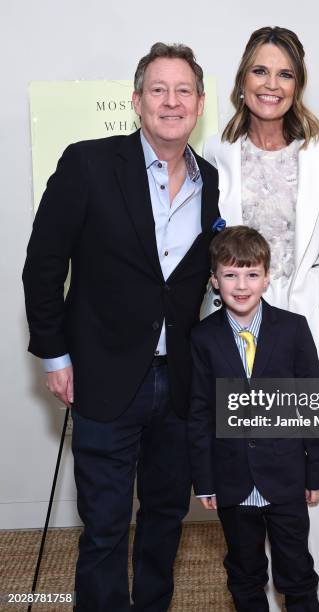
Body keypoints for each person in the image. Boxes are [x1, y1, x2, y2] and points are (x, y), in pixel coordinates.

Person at [22, 42, 219, 612]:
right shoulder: (87, 163)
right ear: (137, 101)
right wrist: (55, 358)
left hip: (179, 383)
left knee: (164, 522)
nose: (171, 101)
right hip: (103, 377)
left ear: (200, 104)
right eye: (158, 89)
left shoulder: (210, 182)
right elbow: (42, 266)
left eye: (184, 90)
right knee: (106, 528)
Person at [202, 26, 319, 612]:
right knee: (246, 459)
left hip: (304, 322)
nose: (272, 84)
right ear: (243, 81)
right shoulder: (218, 150)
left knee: (314, 464)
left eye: (285, 74)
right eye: (261, 72)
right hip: (237, 322)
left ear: (299, 84)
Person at [189, 225, 319, 611]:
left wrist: (318, 471)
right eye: (230, 274)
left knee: (297, 571)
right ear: (215, 281)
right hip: (231, 480)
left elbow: (312, 404)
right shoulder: (202, 338)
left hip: (286, 478)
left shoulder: (292, 328)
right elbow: (199, 412)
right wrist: (205, 480)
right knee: (244, 572)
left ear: (266, 278)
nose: (241, 284)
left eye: (252, 274)